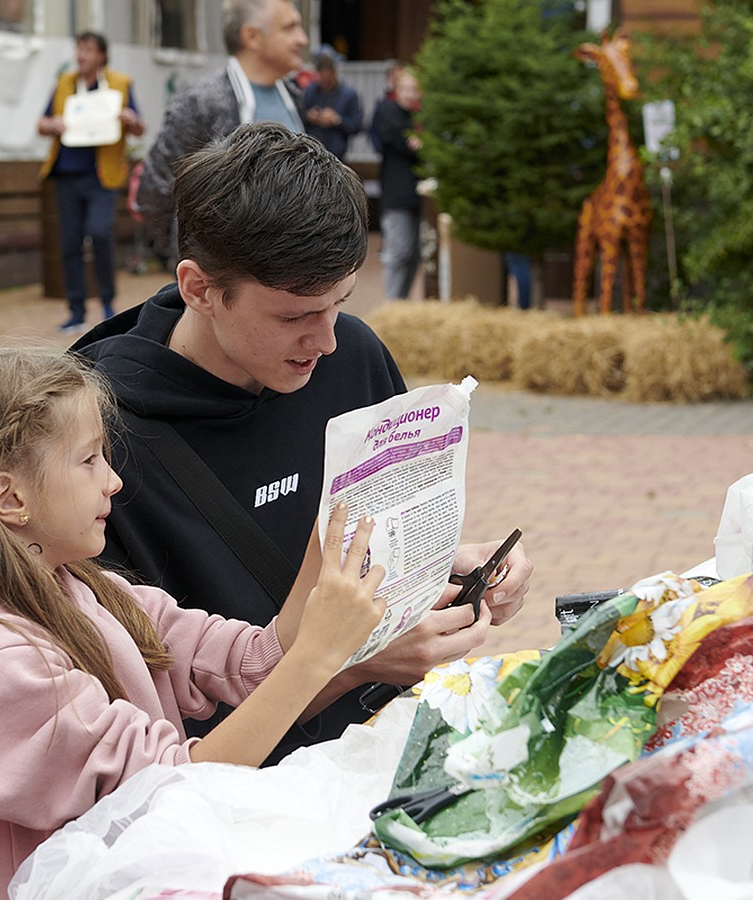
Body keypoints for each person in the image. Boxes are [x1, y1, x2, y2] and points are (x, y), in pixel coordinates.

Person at [0, 346, 385, 900]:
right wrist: (316, 658)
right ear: (11, 497)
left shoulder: (91, 590)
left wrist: (327, 540)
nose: (114, 482)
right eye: (89, 460)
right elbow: (174, 791)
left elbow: (252, 662)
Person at [74, 122, 532, 763]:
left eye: (339, 305)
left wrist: (451, 570)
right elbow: (162, 742)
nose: (327, 342)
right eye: (294, 317)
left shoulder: (353, 358)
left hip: (378, 755)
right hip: (234, 806)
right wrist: (350, 667)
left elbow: (374, 542)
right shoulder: (91, 438)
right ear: (199, 288)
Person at [136, 0, 308, 254]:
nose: (302, 39)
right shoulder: (202, 101)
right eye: (289, 28)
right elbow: (154, 191)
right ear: (251, 36)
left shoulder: (293, 96)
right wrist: (200, 259)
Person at [37, 31, 144, 334]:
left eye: (87, 49)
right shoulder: (64, 84)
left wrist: (130, 119)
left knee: (99, 233)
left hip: (102, 176)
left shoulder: (120, 84)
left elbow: (139, 125)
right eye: (78, 49)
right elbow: (41, 123)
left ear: (102, 56)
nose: (81, 55)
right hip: (67, 175)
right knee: (69, 243)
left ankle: (108, 302)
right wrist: (52, 124)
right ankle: (76, 311)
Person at [374, 67, 423, 299]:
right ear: (396, 90)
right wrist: (411, 142)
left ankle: (400, 304)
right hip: (396, 195)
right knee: (399, 251)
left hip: (418, 195)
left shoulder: (419, 117)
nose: (410, 94)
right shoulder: (387, 110)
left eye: (414, 90)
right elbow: (393, 138)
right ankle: (391, 304)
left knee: (414, 254)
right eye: (405, 89)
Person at [303, 50, 362, 161]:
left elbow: (356, 126)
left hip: (337, 156)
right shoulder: (310, 91)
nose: (324, 82)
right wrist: (310, 116)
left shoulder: (349, 95)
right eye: (321, 78)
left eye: (327, 78)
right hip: (311, 153)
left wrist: (336, 120)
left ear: (334, 73)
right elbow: (299, 116)